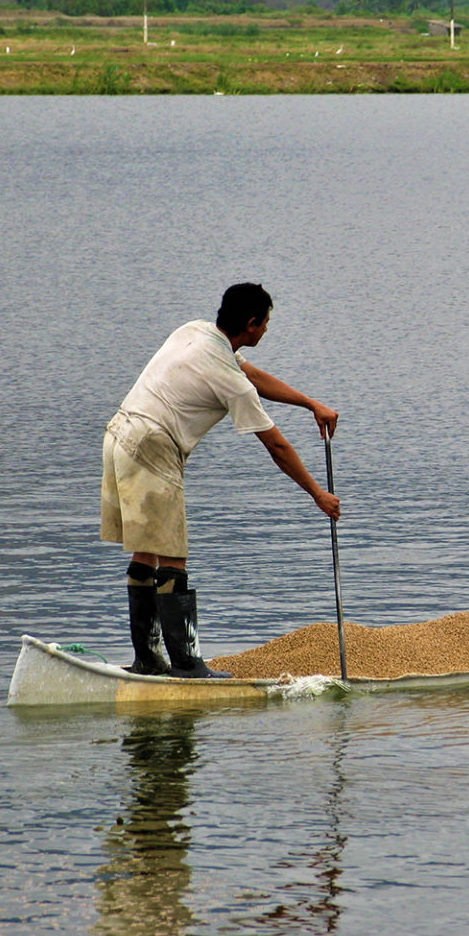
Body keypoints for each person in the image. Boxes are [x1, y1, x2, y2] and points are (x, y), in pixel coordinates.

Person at [101, 283, 340, 679]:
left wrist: (310, 403)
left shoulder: (196, 331)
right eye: (265, 323)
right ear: (250, 324)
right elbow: (277, 446)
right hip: (154, 445)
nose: (266, 330)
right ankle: (187, 666)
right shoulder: (230, 380)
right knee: (173, 556)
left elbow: (254, 375)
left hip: (119, 435)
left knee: (145, 553)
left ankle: (149, 659)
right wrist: (318, 494)